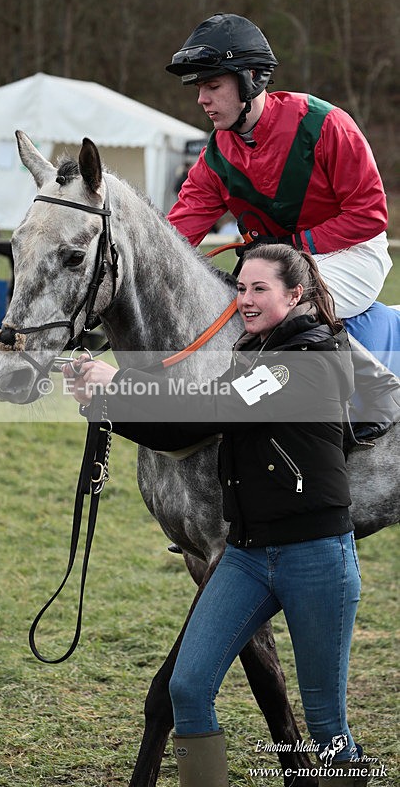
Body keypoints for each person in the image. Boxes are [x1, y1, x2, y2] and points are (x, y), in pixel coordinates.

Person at [63, 245, 374, 787]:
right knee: (188, 687)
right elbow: (184, 424)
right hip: (247, 557)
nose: (245, 300)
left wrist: (118, 384)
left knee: (326, 726)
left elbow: (210, 407)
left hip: (315, 559)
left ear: (295, 295)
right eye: (242, 288)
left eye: (260, 289)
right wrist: (103, 402)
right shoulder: (250, 356)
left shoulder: (310, 361)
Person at [164, 13, 393, 350]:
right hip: (276, 267)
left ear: (251, 78)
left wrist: (293, 244)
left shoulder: (326, 125)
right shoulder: (214, 158)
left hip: (354, 254)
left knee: (275, 307)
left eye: (212, 86)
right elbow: (175, 236)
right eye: (199, 88)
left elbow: (370, 216)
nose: (202, 99)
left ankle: (376, 396)